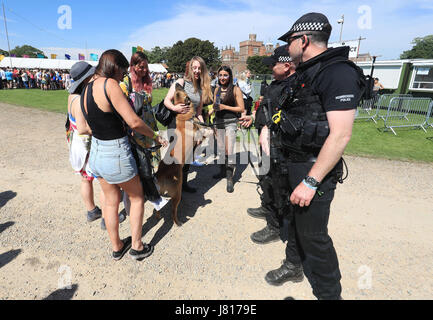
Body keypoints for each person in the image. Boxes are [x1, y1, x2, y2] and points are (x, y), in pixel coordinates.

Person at [262, 12, 364, 300]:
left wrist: (311, 181)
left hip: (312, 169)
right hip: (292, 162)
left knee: (315, 238)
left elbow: (341, 134)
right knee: (293, 223)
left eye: (289, 41)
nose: (286, 47)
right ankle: (294, 265)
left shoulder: (337, 72)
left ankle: (330, 296)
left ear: (303, 39)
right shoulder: (307, 71)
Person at [80, 49, 168, 261]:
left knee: (110, 202)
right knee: (137, 197)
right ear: (115, 68)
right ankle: (137, 246)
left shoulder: (86, 87)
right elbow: (134, 122)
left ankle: (117, 246)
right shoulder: (109, 84)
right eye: (122, 71)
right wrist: (155, 136)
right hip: (116, 152)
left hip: (97, 154)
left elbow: (83, 127)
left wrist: (104, 128)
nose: (123, 77)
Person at [120, 51, 169, 212]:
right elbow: (121, 109)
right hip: (135, 130)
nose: (144, 70)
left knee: (149, 162)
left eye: (146, 68)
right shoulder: (125, 83)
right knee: (139, 165)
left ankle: (149, 193)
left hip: (149, 127)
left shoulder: (146, 81)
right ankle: (139, 198)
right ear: (132, 66)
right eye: (141, 67)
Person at [163, 56, 212, 193]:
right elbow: (167, 100)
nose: (196, 71)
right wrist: (174, 108)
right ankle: (168, 184)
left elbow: (199, 112)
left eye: (199, 68)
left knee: (188, 157)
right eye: (194, 67)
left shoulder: (201, 89)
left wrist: (204, 127)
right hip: (177, 125)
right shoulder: (181, 82)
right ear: (190, 68)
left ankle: (182, 184)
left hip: (191, 128)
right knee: (175, 157)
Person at [67, 61, 105, 224]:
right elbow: (83, 128)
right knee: (104, 182)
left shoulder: (71, 97)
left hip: (78, 145)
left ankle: (92, 211)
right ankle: (107, 218)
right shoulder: (80, 100)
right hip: (86, 145)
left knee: (86, 179)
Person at [212, 65, 245, 193]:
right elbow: (216, 105)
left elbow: (241, 108)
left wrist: (225, 107)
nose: (222, 78)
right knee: (220, 149)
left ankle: (230, 178)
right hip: (218, 122)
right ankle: (222, 172)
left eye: (225, 75)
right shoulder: (217, 89)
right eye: (220, 75)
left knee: (229, 150)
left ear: (230, 76)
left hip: (231, 122)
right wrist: (211, 110)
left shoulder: (236, 89)